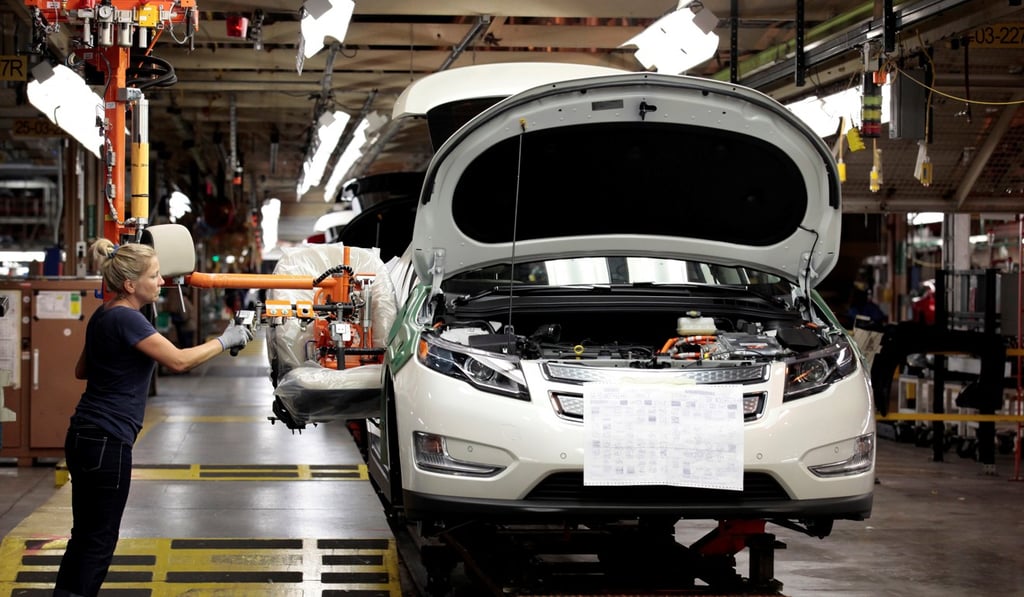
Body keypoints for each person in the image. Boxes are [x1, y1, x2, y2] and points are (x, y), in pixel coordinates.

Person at [53, 238, 253, 597]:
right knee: (99, 541)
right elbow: (178, 361)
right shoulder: (127, 319)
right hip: (107, 440)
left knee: (85, 535)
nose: (162, 282)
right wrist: (226, 340)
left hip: (84, 434)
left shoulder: (105, 315)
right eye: (155, 276)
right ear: (131, 285)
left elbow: (82, 369)